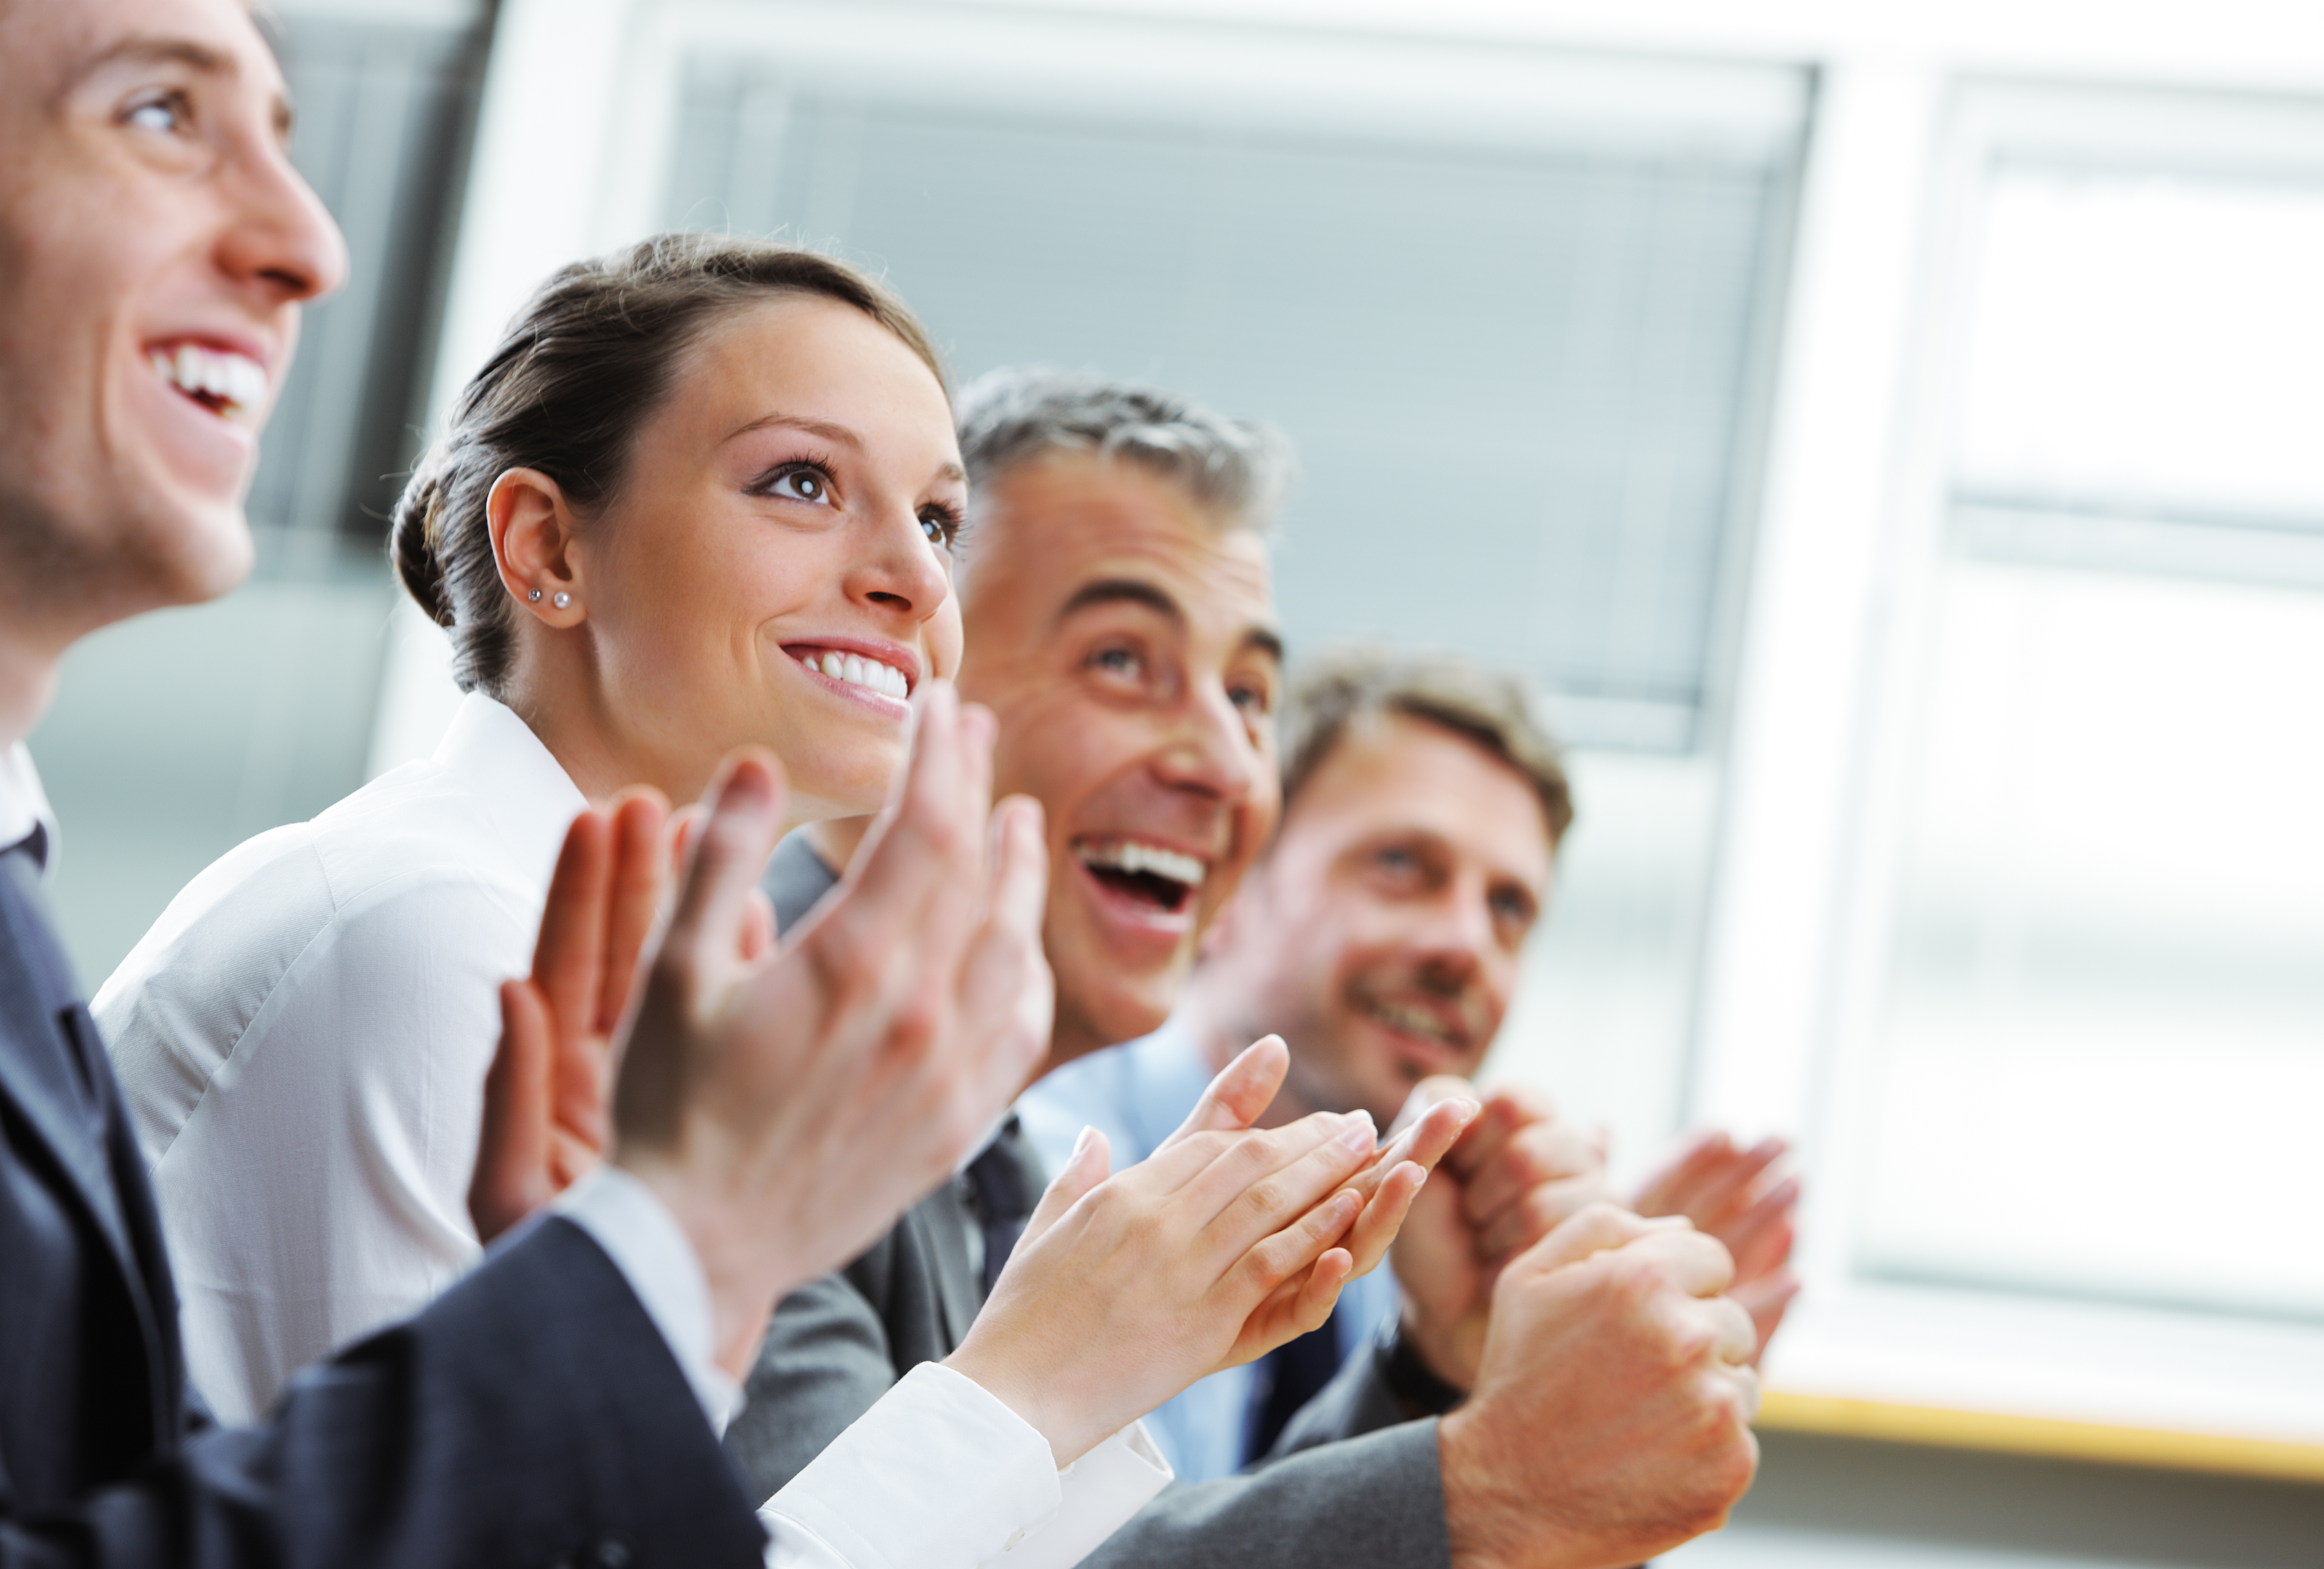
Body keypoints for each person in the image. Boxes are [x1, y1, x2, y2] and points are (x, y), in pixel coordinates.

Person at [0, 0, 1219, 1560]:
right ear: (547, 549)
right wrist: (1033, 1387)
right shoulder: (440, 933)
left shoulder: (654, 1004)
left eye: (934, 518)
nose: (912, 579)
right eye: (800, 481)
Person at [723, 370, 1765, 1569]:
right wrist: (1491, 1490)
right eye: (1123, 659)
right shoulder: (720, 1059)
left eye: (1250, 695)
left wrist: (1439, 1377)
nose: (1224, 763)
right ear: (904, 663)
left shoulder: (979, 1152)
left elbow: (1082, 1552)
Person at [1023, 647, 1804, 1480]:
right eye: (1401, 865)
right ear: (1232, 884)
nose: (1467, 945)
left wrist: (1574, 1385)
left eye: (1509, 907)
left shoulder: (1426, 1260)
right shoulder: (1044, 1185)